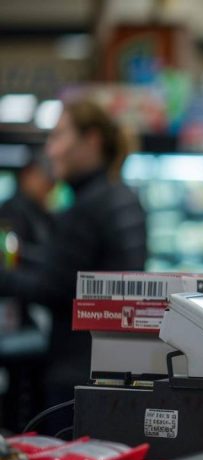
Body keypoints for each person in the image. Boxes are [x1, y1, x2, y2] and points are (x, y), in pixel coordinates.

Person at [0, 99, 147, 419]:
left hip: (77, 374)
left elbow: (56, 288)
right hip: (115, 366)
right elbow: (77, 270)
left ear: (91, 140)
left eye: (58, 136)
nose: (50, 150)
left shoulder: (87, 207)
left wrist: (6, 277)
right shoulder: (123, 196)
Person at [0, 151, 55, 433]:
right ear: (29, 175)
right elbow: (10, 265)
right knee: (20, 392)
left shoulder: (38, 212)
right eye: (47, 179)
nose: (51, 187)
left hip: (29, 319)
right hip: (17, 319)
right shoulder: (14, 212)